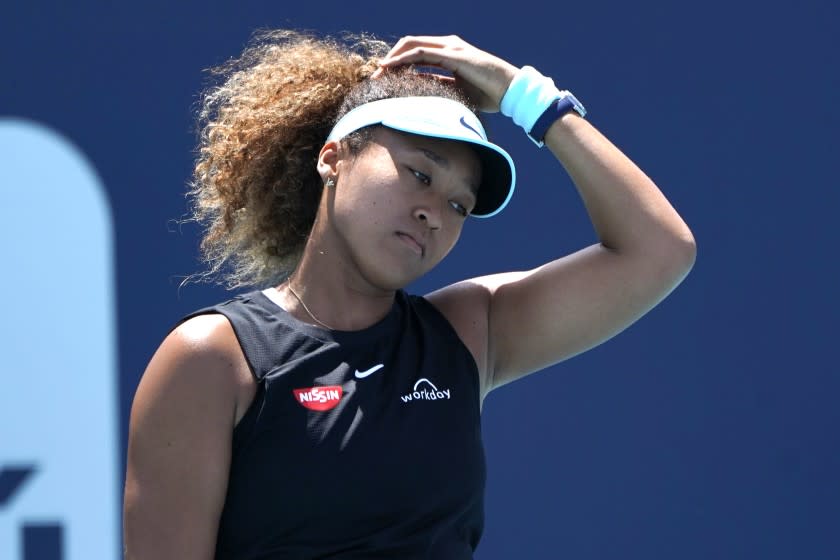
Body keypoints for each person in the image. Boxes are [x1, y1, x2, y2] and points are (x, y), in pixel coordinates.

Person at [123, 30, 696, 559]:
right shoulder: (213, 357)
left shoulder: (470, 330)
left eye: (459, 205)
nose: (434, 214)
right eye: (420, 174)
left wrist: (527, 97)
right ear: (334, 157)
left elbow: (659, 249)